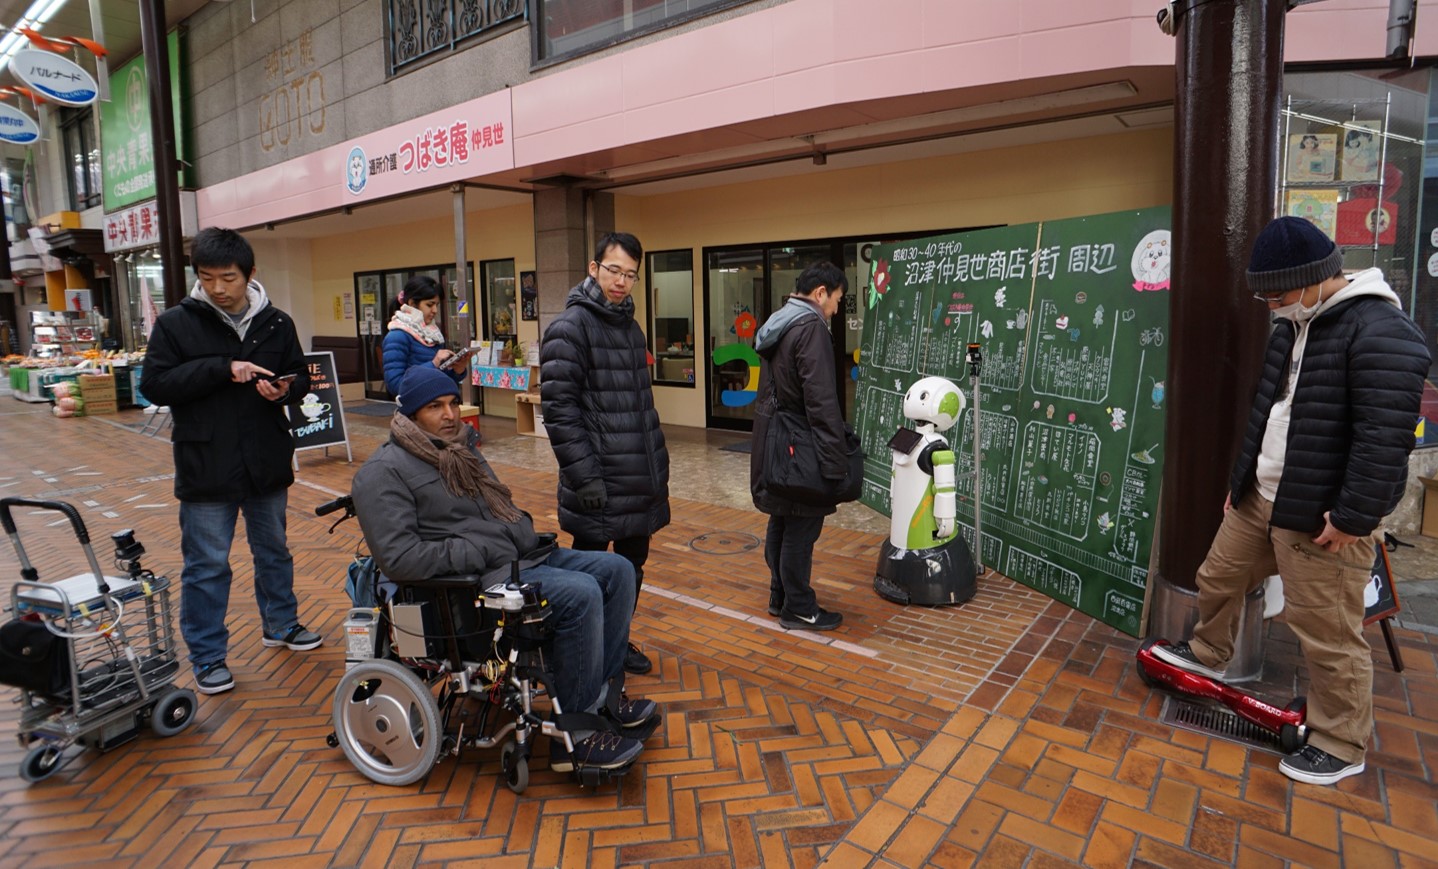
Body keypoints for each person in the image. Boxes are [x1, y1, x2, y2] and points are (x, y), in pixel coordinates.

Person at [1154, 216, 1429, 786]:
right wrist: (1240, 485)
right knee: (1217, 574)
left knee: (1327, 633)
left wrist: (1354, 515)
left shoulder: (1382, 330)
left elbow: (1385, 439)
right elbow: (1267, 414)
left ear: (1310, 278)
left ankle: (1340, 742)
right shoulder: (1293, 324)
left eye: (1276, 294)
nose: (1271, 306)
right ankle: (1210, 653)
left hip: (1324, 516)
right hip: (1264, 497)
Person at [351, 365, 659, 772]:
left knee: (617, 569)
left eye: (451, 403)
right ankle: (576, 738)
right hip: (477, 582)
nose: (449, 415)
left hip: (519, 555)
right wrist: (478, 548)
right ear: (409, 415)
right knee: (582, 593)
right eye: (434, 407)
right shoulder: (382, 473)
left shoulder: (462, 451)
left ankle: (602, 697)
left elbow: (502, 506)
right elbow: (401, 558)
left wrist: (519, 525)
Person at [140, 227, 322, 696]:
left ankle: (281, 624)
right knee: (206, 565)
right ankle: (207, 655)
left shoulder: (277, 323)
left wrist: (286, 388)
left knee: (274, 552)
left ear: (250, 274)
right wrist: (222, 368)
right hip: (207, 463)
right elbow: (155, 385)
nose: (218, 288)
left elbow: (300, 375)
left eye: (228, 278)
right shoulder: (177, 324)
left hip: (265, 458)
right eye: (207, 277)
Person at [541, 232, 670, 675]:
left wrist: (658, 469)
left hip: (637, 478)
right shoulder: (569, 328)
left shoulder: (631, 330)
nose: (621, 281)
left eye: (630, 274)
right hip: (596, 482)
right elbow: (559, 412)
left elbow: (640, 405)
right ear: (594, 269)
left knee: (631, 569)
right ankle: (583, 649)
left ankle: (616, 642)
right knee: (590, 576)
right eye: (614, 270)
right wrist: (585, 478)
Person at [750, 261, 850, 631]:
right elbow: (821, 401)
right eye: (837, 300)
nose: (836, 309)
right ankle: (800, 607)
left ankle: (780, 595)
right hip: (801, 445)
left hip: (776, 441)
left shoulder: (781, 321)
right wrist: (833, 460)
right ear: (820, 293)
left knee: (783, 518)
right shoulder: (810, 329)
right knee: (803, 526)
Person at [382, 275, 463, 398]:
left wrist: (458, 370)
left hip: (436, 401)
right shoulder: (397, 336)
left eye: (437, 304)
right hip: (416, 409)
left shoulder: (433, 332)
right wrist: (434, 363)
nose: (435, 310)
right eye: (430, 305)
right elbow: (395, 385)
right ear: (412, 304)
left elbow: (441, 376)